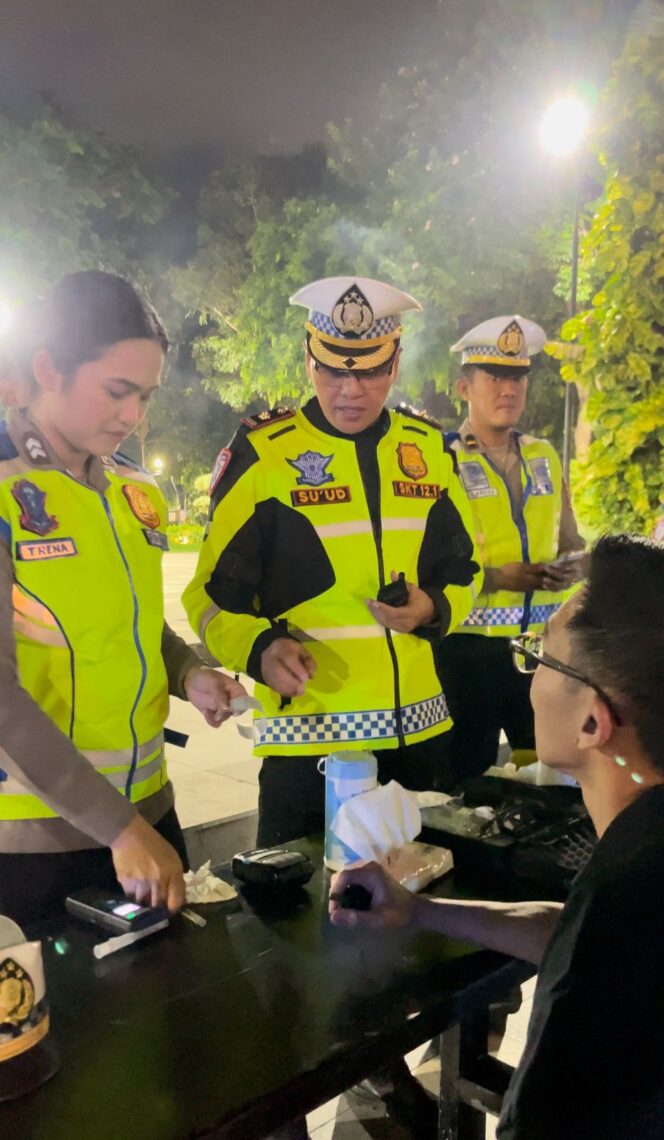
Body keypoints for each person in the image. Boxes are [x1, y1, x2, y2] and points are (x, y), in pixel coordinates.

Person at [330, 533, 664, 1140]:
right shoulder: (637, 858)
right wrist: (421, 910)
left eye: (538, 656)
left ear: (593, 720)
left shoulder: (627, 897)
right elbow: (573, 934)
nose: (528, 674)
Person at [184, 276, 481, 847]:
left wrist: (433, 608)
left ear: (394, 363)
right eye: (333, 369)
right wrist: (260, 649)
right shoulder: (263, 455)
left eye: (369, 370)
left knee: (424, 921)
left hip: (417, 742)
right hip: (305, 749)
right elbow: (207, 598)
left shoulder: (429, 449)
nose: (351, 389)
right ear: (307, 360)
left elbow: (464, 571)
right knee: (295, 926)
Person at [0, 271, 245, 927]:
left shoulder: (135, 492)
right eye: (117, 391)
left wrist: (189, 673)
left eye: (146, 396)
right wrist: (120, 828)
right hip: (33, 845)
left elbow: (137, 627)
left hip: (147, 816)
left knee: (171, 1023)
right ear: (50, 367)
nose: (133, 415)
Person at [438, 315, 584, 780]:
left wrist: (575, 562)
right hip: (466, 653)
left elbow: (570, 538)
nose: (508, 390)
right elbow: (427, 563)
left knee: (548, 777)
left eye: (517, 377)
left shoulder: (543, 454)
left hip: (541, 653)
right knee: (465, 783)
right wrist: (498, 577)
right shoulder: (441, 461)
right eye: (494, 377)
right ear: (465, 387)